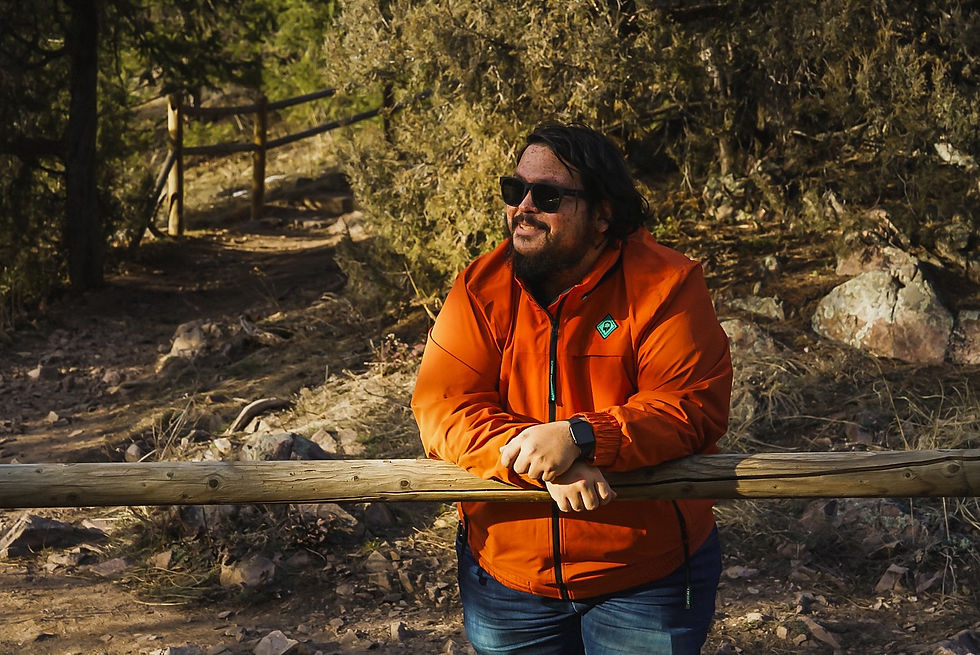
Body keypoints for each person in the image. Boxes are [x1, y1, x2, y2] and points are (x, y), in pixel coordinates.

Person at [411, 121, 733, 654]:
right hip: (509, 579)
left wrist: (582, 436)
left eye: (549, 195)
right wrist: (544, 458)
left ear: (604, 214)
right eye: (515, 191)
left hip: (645, 579)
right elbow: (444, 407)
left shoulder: (667, 285)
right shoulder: (479, 286)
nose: (524, 207)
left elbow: (691, 406)